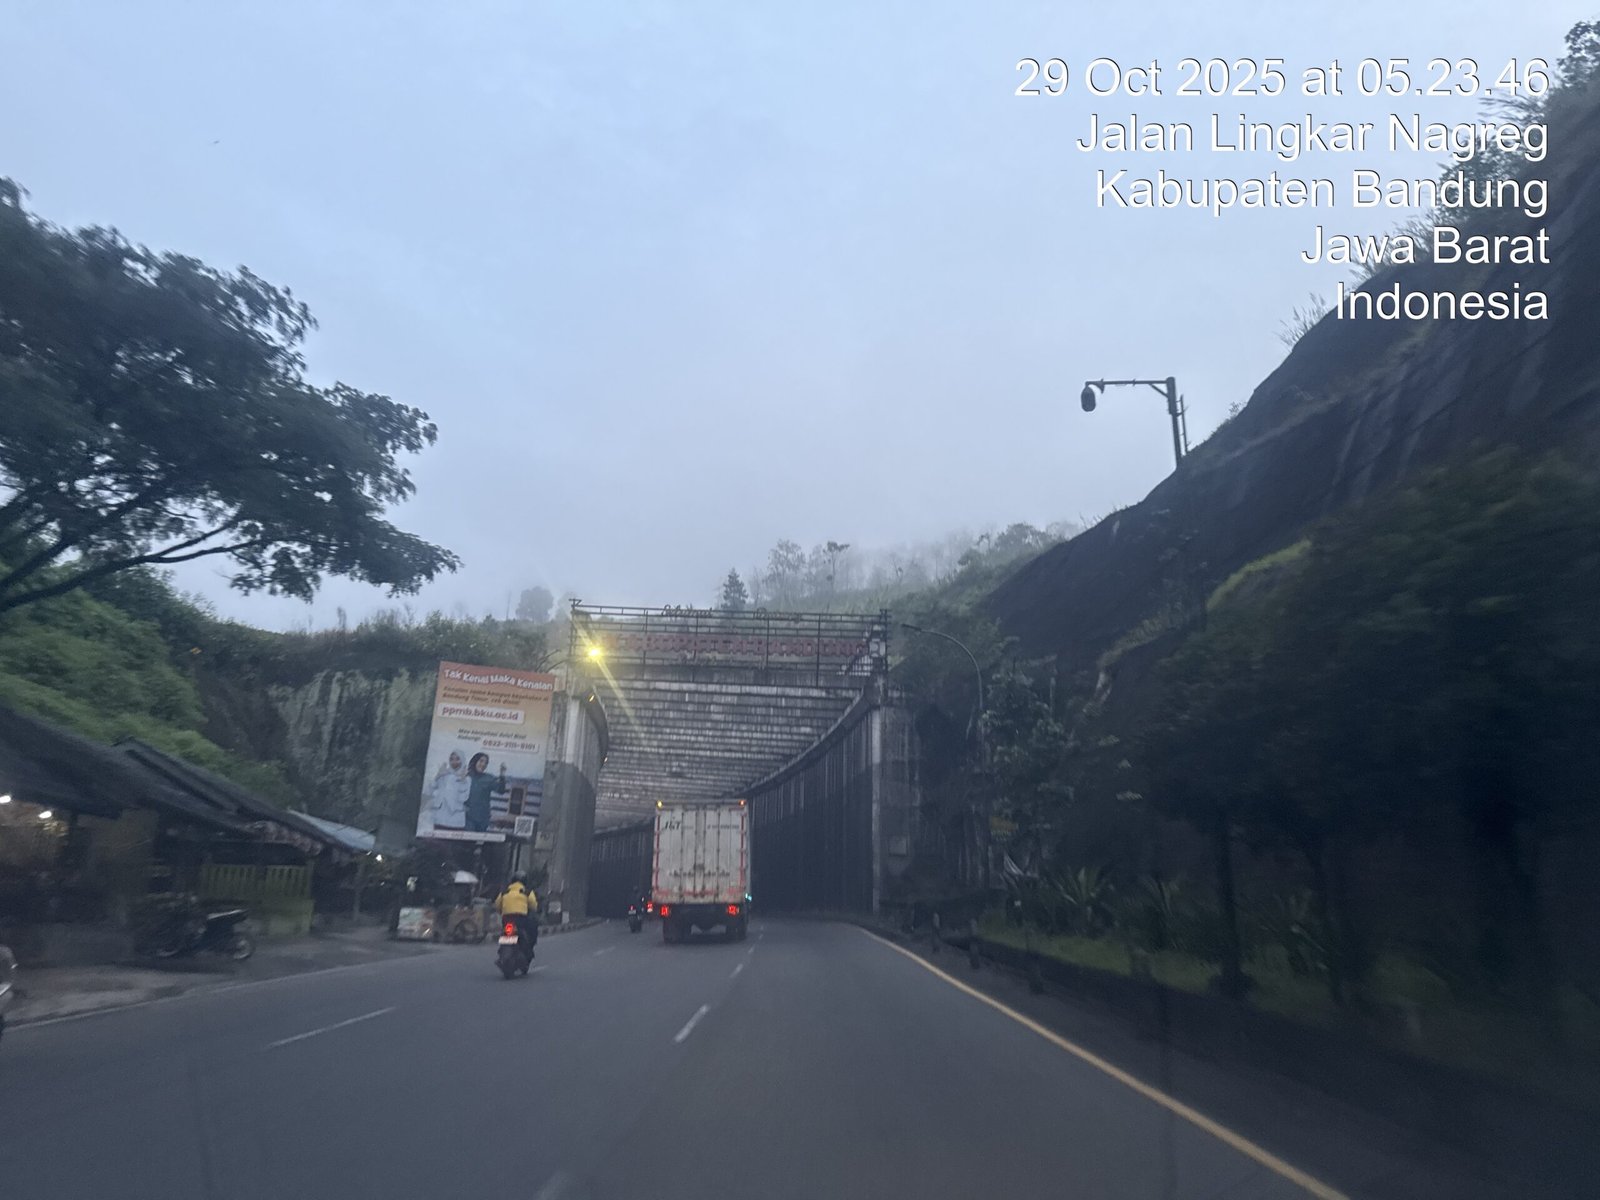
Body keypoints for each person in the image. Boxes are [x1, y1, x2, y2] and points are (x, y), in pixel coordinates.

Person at [495, 873, 539, 955]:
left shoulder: (504, 892)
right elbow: (534, 906)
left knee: (506, 933)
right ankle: (529, 948)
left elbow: (497, 905)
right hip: (520, 919)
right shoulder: (527, 892)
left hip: (506, 919)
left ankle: (503, 949)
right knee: (532, 928)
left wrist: (502, 911)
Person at [464, 752, 496, 832]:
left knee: (479, 838)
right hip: (468, 818)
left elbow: (501, 790)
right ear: (475, 761)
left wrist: (502, 776)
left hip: (483, 819)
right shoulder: (466, 777)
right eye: (481, 761)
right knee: (469, 837)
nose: (483, 764)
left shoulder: (489, 778)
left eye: (486, 763)